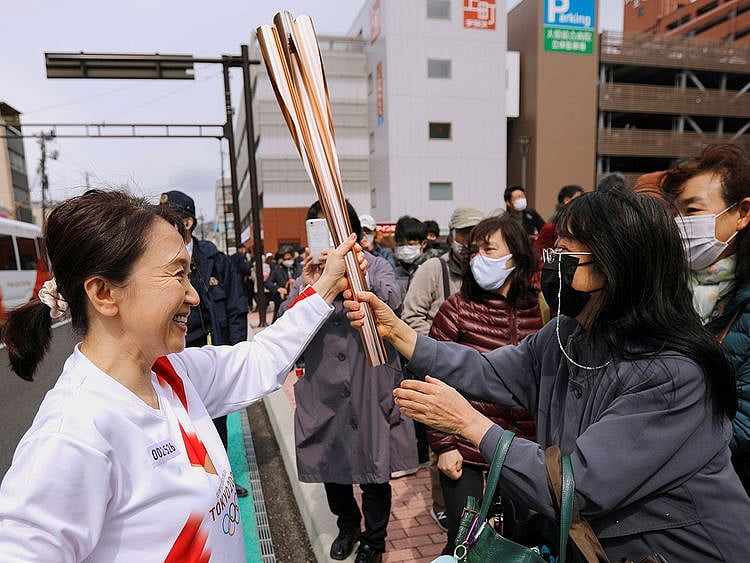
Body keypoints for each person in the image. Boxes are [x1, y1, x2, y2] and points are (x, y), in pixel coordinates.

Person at [346, 189, 750, 562]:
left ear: (618, 266)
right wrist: (399, 333)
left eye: (567, 254)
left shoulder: (673, 374)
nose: (552, 265)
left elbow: (578, 487)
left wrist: (469, 423)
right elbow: (490, 370)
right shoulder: (566, 335)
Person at [0, 190, 361, 561]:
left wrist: (326, 285)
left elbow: (260, 360)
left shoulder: (170, 373)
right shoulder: (72, 436)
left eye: (190, 275)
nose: (194, 296)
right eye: (177, 274)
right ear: (104, 293)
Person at [278, 200, 416, 563]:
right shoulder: (307, 274)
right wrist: (308, 287)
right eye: (315, 228)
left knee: (375, 468)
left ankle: (374, 540)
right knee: (331, 465)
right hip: (324, 390)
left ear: (347, 230)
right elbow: (284, 330)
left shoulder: (377, 266)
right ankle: (347, 525)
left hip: (369, 384)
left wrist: (358, 274)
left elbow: (392, 300)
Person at [427, 214, 542, 554]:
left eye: (488, 250)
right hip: (466, 451)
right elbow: (431, 379)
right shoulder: (456, 309)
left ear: (516, 258)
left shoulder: (541, 309)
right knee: (465, 542)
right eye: (474, 250)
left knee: (516, 542)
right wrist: (444, 445)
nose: (477, 258)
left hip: (520, 451)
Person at [661, 144, 750, 493]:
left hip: (725, 488)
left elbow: (743, 421)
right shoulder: (665, 288)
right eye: (676, 212)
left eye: (692, 210)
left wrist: (658, 450)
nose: (680, 224)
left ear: (741, 213)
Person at [161, 190, 251, 497]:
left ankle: (222, 480)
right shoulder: (155, 260)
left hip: (211, 352)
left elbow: (237, 309)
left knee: (216, 419)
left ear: (188, 222)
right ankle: (192, 488)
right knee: (179, 422)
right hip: (174, 353)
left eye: (171, 220)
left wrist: (235, 353)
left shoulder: (215, 260)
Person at [400, 206, 483, 529]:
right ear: (452, 235)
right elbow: (411, 317)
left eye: (476, 234)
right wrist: (445, 346)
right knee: (444, 447)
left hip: (480, 376)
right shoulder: (433, 270)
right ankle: (443, 506)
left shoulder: (482, 271)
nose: (470, 240)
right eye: (464, 233)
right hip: (443, 374)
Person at [535, 185, 584, 255]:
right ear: (567, 200)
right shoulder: (553, 224)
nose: (582, 202)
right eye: (578, 198)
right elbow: (540, 255)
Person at [392, 215, 428, 298]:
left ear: (424, 243)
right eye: (401, 245)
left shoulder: (431, 271)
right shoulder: (394, 273)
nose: (405, 249)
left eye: (410, 244)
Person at [266, 245, 301, 324]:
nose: (287, 261)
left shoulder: (300, 268)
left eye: (289, 259)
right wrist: (278, 289)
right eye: (284, 259)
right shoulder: (277, 269)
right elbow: (268, 283)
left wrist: (295, 283)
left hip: (298, 302)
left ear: (293, 257)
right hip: (282, 302)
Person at [230, 245, 253, 310]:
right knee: (244, 292)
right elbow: (243, 267)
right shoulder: (241, 256)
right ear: (242, 249)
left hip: (233, 276)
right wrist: (248, 272)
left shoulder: (232, 256)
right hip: (241, 277)